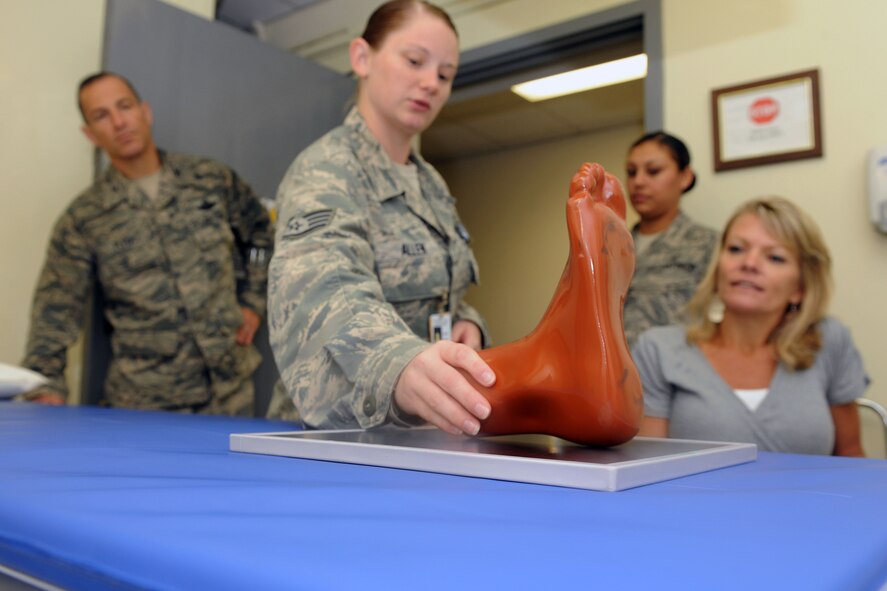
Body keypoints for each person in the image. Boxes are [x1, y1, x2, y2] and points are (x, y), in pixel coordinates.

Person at [268, 0, 494, 436]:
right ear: (362, 57)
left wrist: (467, 324)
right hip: (332, 439)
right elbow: (324, 290)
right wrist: (398, 361)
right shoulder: (327, 168)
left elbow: (437, 292)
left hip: (415, 433)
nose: (430, 82)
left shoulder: (430, 184)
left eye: (445, 75)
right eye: (414, 61)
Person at [20, 72, 273, 415]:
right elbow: (55, 309)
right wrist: (44, 387)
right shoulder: (84, 218)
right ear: (89, 134)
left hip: (229, 392)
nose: (119, 122)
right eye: (101, 116)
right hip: (146, 404)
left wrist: (254, 301)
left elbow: (262, 233)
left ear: (145, 111)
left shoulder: (210, 179)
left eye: (124, 106)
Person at [633, 197, 866, 456]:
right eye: (736, 249)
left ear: (799, 288)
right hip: (693, 498)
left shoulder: (828, 341)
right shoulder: (659, 349)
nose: (749, 264)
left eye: (775, 257)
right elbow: (648, 472)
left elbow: (852, 457)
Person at [623, 131, 718, 345]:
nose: (638, 182)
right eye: (631, 172)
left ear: (685, 177)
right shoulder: (609, 248)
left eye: (653, 171)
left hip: (673, 374)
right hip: (605, 374)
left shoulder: (709, 245)